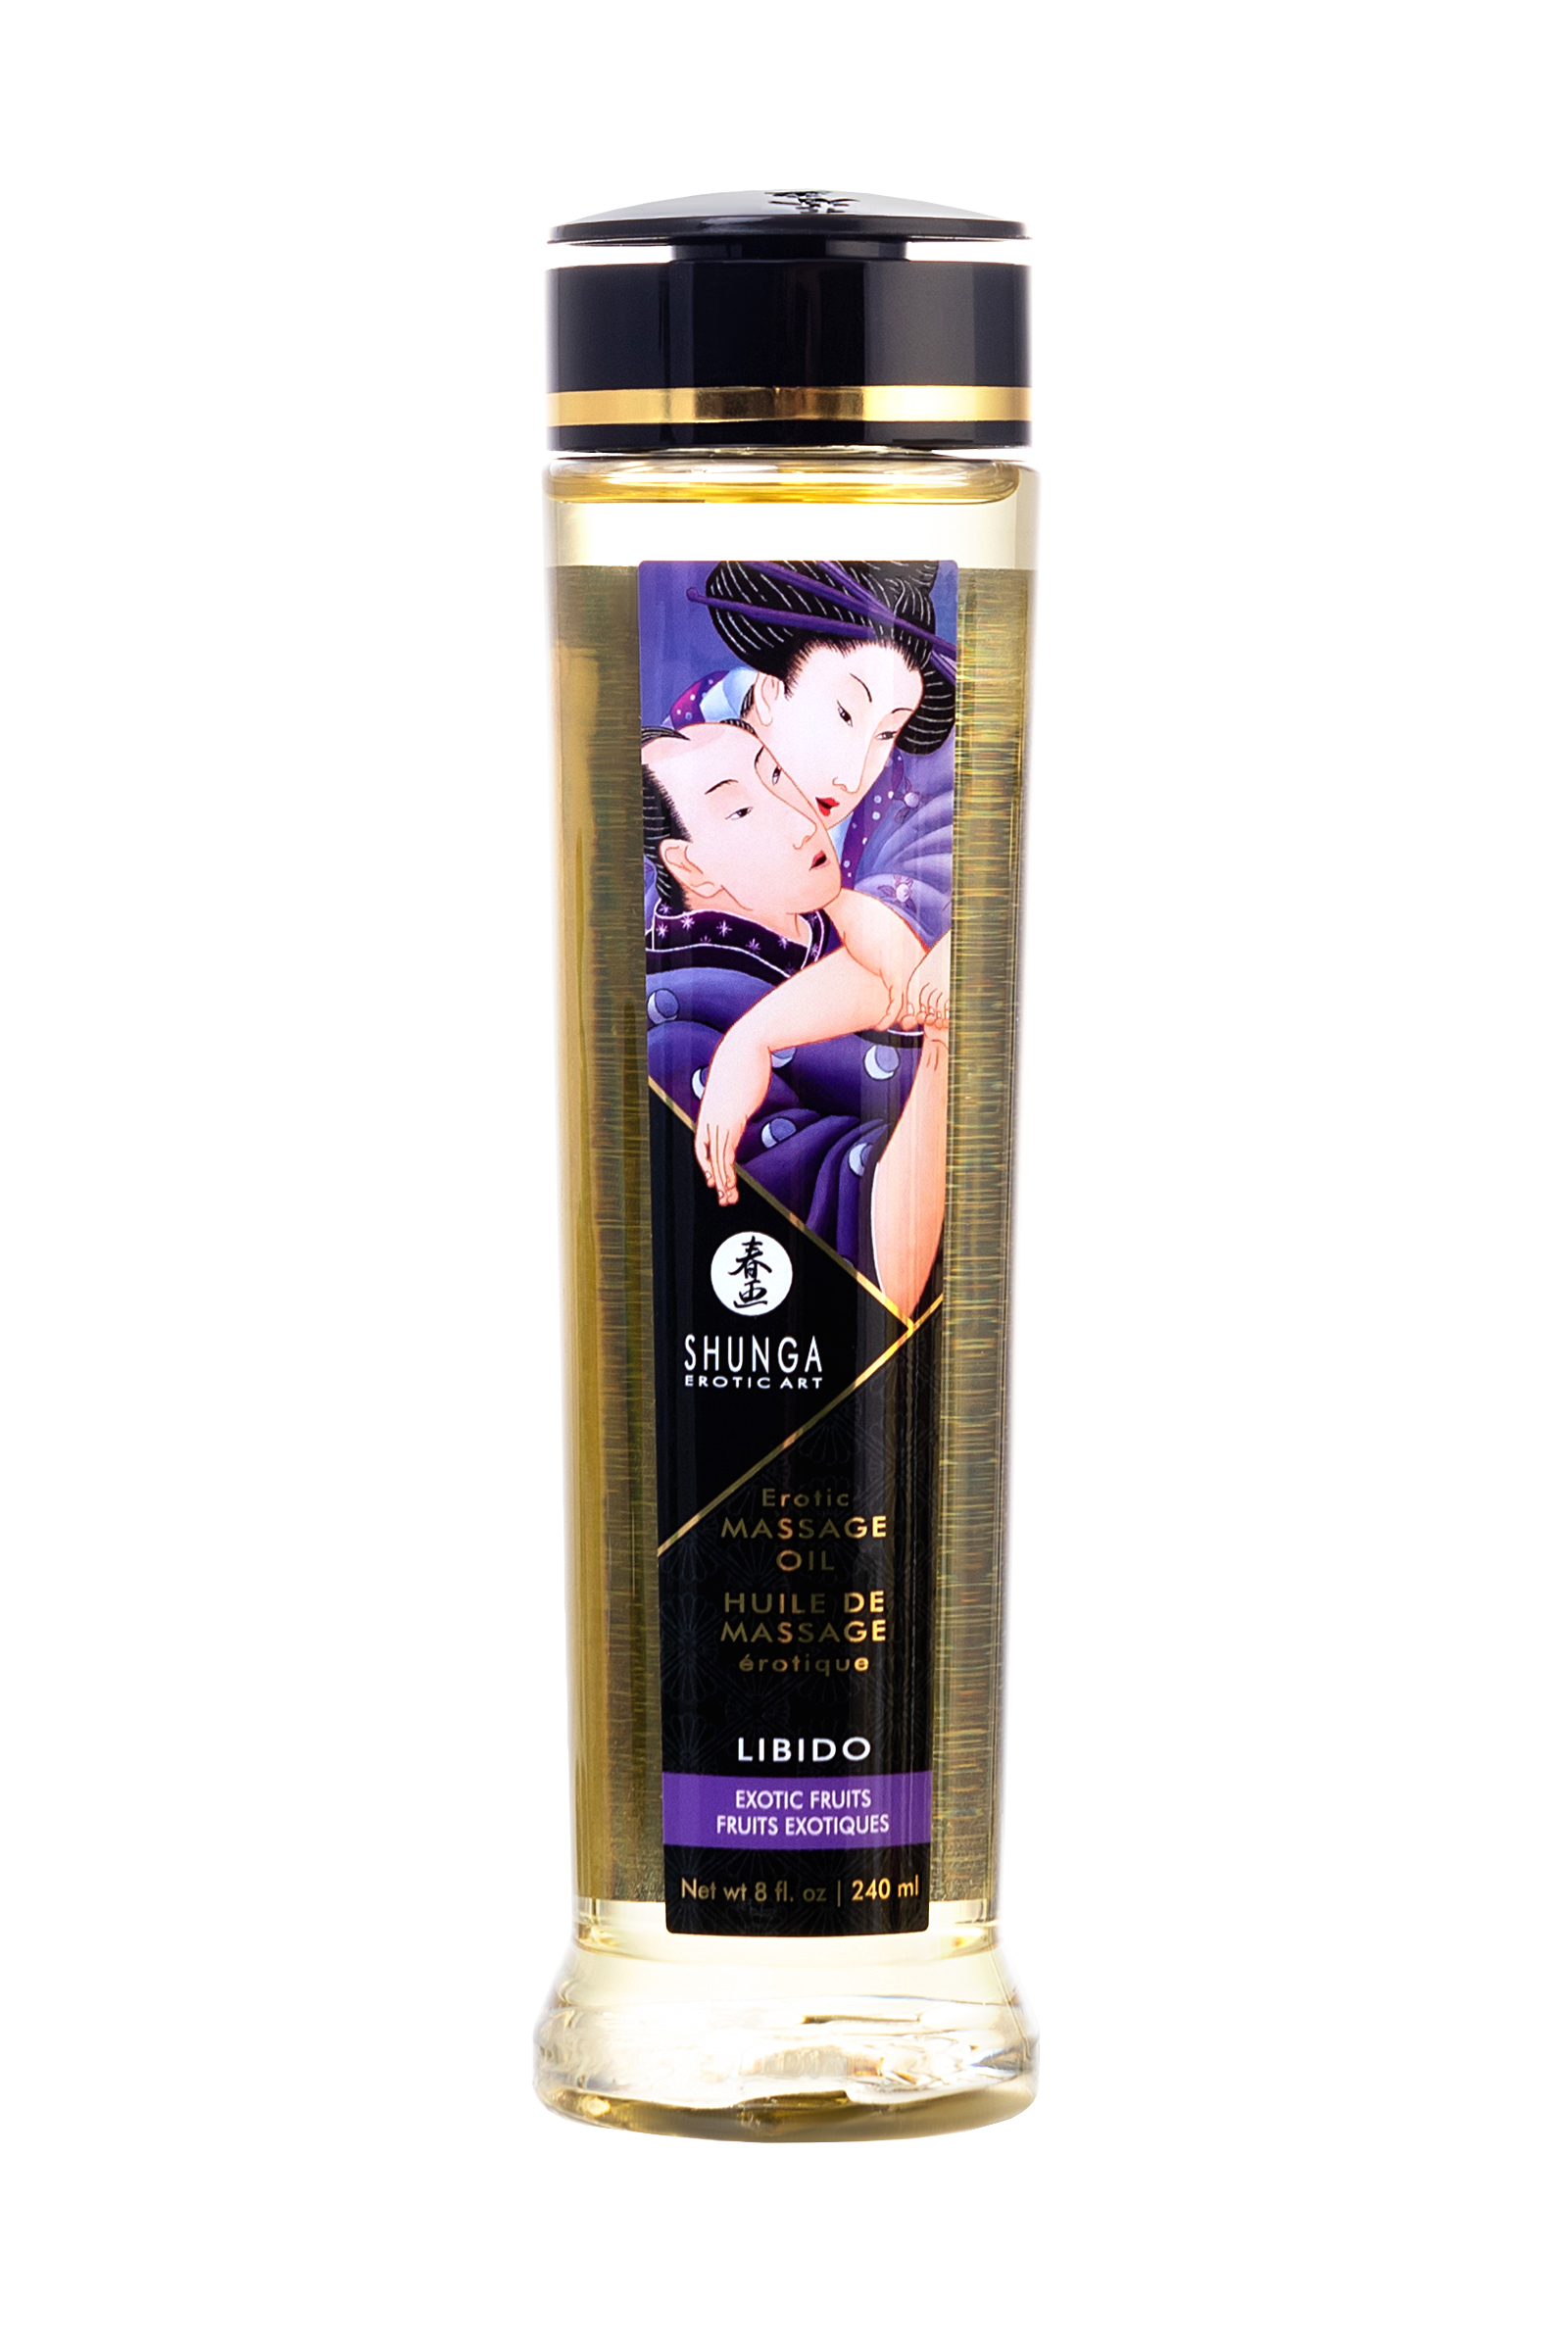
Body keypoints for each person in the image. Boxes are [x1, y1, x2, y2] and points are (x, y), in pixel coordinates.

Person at [643, 722, 950, 1318]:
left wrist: (757, 1033)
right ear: (688, 865)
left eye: (777, 775)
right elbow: (882, 1285)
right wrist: (941, 1041)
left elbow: (900, 977)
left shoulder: (830, 922)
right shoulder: (679, 1032)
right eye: (740, 811)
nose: (802, 821)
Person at [663, 560, 957, 948]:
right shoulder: (681, 745)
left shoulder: (914, 790)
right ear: (770, 689)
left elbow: (909, 954)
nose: (852, 779)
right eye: (845, 714)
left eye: (887, 733)